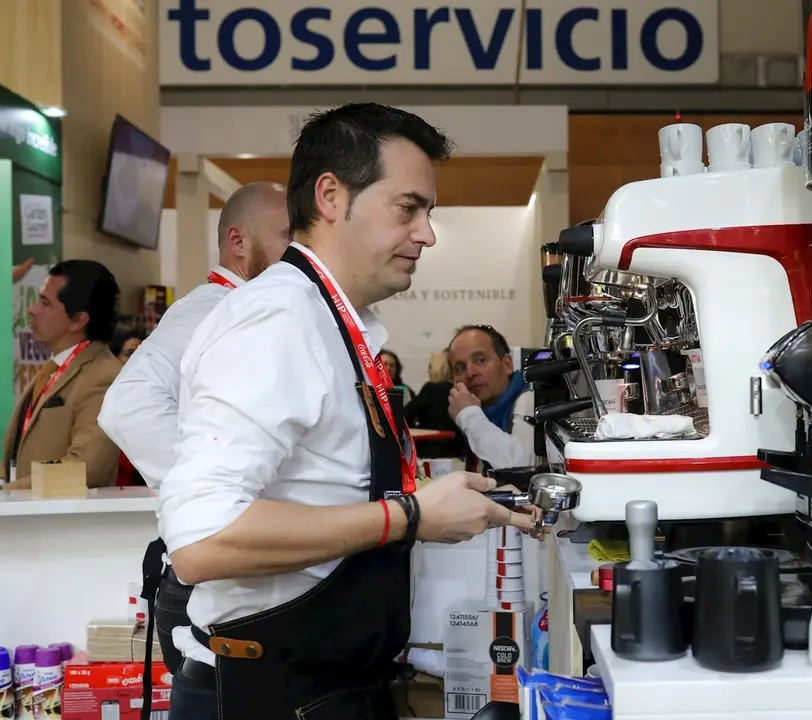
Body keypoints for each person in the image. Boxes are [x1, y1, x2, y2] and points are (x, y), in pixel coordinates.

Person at [157, 103, 533, 720]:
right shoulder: (278, 319)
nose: (427, 234)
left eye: (428, 213)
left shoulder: (333, 323)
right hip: (269, 695)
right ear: (331, 196)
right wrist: (409, 515)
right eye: (407, 208)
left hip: (327, 685)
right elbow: (203, 538)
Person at [98, 181, 290, 682]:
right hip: (208, 582)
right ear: (239, 241)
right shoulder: (214, 309)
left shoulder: (247, 310)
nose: (302, 252)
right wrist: (217, 499)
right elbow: (126, 406)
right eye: (289, 236)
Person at [2, 260, 122, 489]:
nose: (32, 309)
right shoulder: (56, 368)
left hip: (62, 520)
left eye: (45, 303)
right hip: (26, 515)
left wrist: (9, 491)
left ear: (78, 320)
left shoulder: (103, 377)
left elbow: (86, 467)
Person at [447, 325, 536, 471]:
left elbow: (522, 466)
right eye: (460, 368)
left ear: (507, 364)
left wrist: (469, 416)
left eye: (480, 361)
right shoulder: (481, 408)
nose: (470, 373)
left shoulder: (529, 398)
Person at [404, 350, 461, 457]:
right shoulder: (460, 389)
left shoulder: (431, 388)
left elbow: (406, 413)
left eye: (430, 367)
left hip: (432, 449)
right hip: (459, 450)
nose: (428, 371)